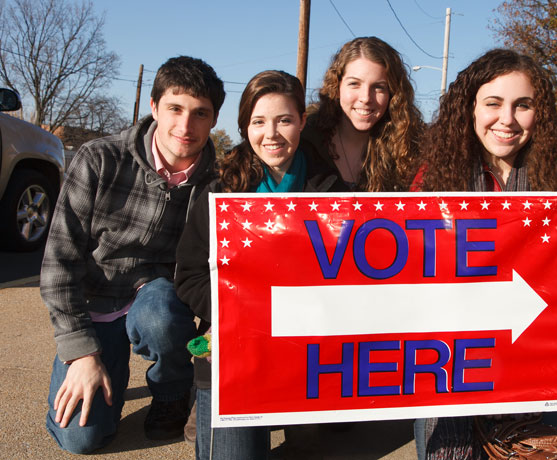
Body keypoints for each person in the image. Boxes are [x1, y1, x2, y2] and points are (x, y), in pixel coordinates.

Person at [413, 49, 557, 459]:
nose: (507, 119)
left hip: (541, 367)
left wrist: (540, 371)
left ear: (541, 114)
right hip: (449, 367)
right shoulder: (432, 178)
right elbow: (416, 283)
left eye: (524, 105)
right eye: (493, 103)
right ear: (470, 108)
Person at [40, 56, 225, 454]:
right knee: (81, 439)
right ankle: (106, 369)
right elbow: (58, 265)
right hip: (96, 301)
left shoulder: (218, 183)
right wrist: (81, 353)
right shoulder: (98, 158)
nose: (185, 126)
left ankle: (173, 391)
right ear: (154, 106)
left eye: (200, 114)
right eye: (175, 108)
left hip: (159, 298)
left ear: (213, 121)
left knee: (159, 315)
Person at [175, 70, 347, 460]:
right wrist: (238, 311)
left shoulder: (331, 191)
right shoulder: (219, 190)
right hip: (234, 345)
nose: (271, 134)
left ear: (302, 121)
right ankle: (199, 401)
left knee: (311, 446)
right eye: (258, 122)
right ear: (245, 127)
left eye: (284, 120)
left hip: (306, 350)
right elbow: (189, 277)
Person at [303, 36, 424, 192]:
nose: (366, 98)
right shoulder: (304, 142)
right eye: (354, 84)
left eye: (379, 87)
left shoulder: (410, 149)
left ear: (393, 94)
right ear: (337, 86)